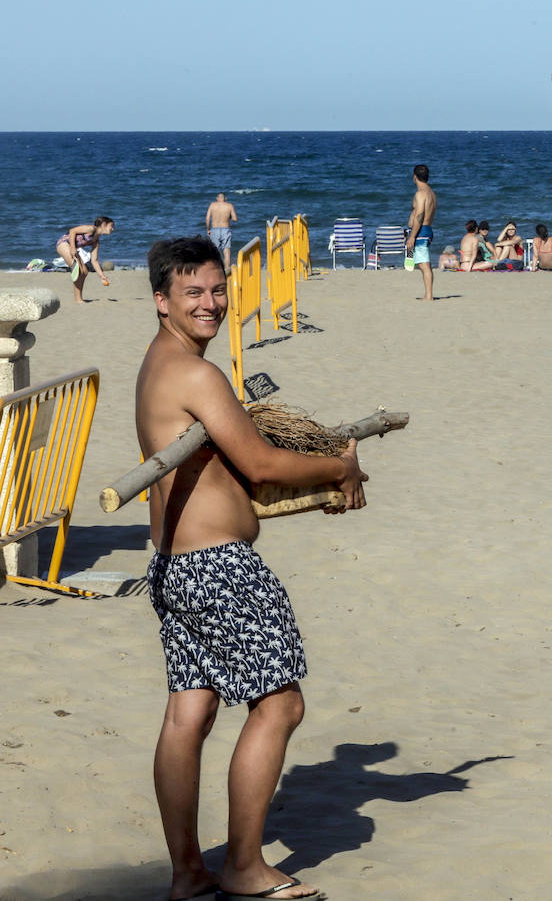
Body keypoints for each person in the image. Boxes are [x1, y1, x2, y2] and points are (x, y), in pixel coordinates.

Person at [136, 236, 367, 901]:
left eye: (216, 290)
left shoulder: (159, 366)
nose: (209, 304)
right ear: (161, 301)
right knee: (280, 704)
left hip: (175, 568)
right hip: (219, 571)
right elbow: (261, 464)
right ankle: (243, 865)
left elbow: (227, 473)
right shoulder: (197, 375)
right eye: (193, 294)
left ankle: (187, 874)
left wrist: (307, 488)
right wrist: (337, 469)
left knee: (191, 712)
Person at [56, 216, 114, 303]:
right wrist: (72, 247)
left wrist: (102, 276)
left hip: (73, 249)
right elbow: (72, 231)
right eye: (111, 226)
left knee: (85, 271)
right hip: (63, 244)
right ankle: (73, 268)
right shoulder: (90, 229)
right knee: (78, 269)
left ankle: (78, 299)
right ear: (104, 224)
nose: (113, 229)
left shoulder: (96, 241)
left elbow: (94, 260)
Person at [405, 164, 436, 300]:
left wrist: (412, 236)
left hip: (420, 232)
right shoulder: (431, 193)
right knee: (422, 263)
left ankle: (428, 296)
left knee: (424, 265)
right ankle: (428, 295)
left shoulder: (420, 194)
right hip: (425, 230)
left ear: (415, 177)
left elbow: (419, 215)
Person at [205, 193, 238, 271]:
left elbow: (207, 219)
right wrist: (229, 217)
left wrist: (208, 229)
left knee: (215, 251)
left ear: (217, 198)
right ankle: (227, 270)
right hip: (226, 229)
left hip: (215, 229)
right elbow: (235, 219)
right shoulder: (229, 205)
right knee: (226, 251)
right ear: (225, 198)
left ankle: (215, 270)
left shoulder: (212, 205)